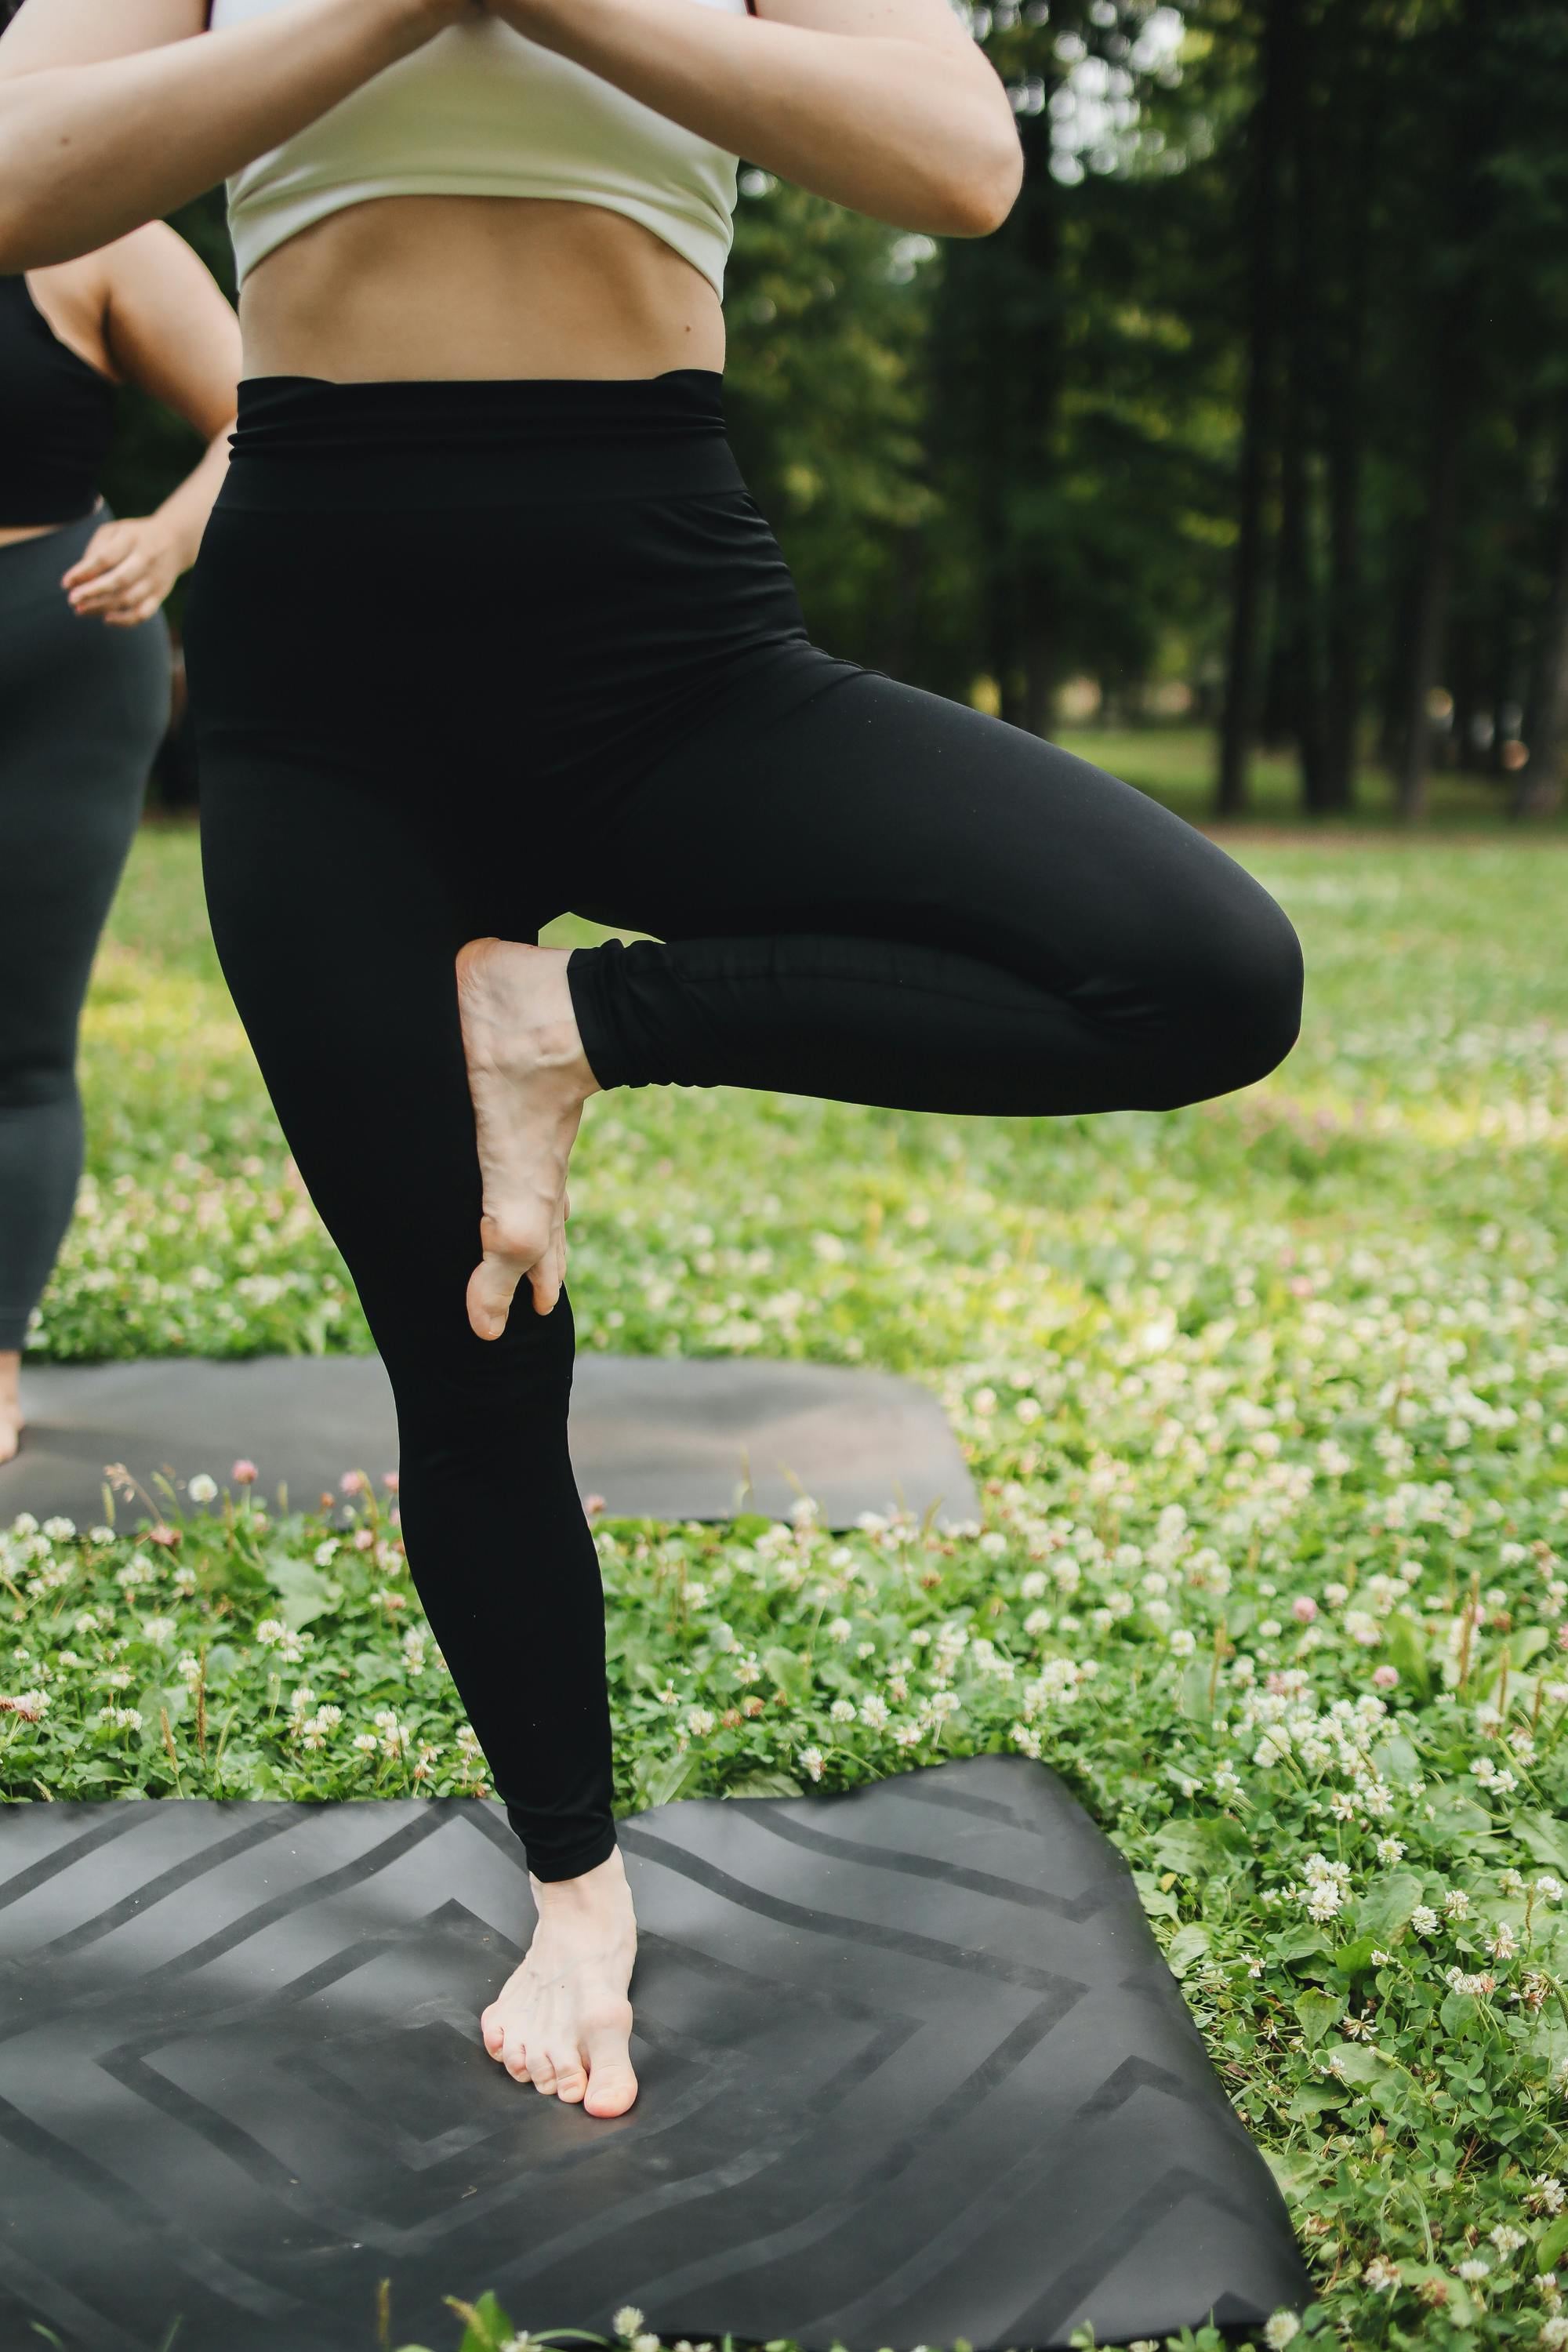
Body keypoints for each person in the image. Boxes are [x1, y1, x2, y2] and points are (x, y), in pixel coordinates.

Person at [0, 0, 1303, 2121]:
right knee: (471, 1347)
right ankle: (577, 1898)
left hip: (666, 630)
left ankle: (570, 1022)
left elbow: (961, 162)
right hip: (329, 689)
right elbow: (15, 175)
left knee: (1202, 972)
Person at [0, 106, 241, 1464]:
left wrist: (170, 537)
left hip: (63, 656)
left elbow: (262, 413)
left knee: (17, 1039)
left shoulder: (96, 236)